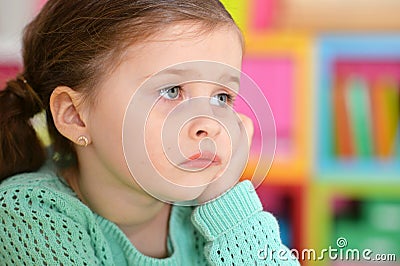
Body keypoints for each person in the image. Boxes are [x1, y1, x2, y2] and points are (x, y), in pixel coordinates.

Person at [0, 0, 300, 265]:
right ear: (75, 116)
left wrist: (224, 198)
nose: (208, 122)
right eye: (171, 91)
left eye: (221, 97)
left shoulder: (212, 212)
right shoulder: (30, 213)